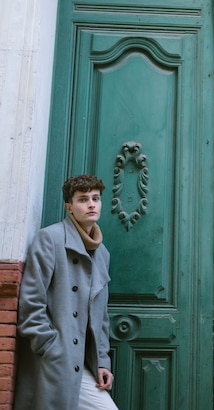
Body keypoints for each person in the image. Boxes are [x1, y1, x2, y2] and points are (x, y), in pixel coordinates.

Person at [14, 174, 119, 410]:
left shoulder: (102, 253)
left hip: (83, 363)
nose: (91, 204)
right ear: (69, 207)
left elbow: (101, 316)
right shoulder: (50, 239)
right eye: (83, 199)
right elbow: (31, 303)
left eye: (96, 198)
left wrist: (103, 361)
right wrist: (50, 347)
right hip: (57, 360)